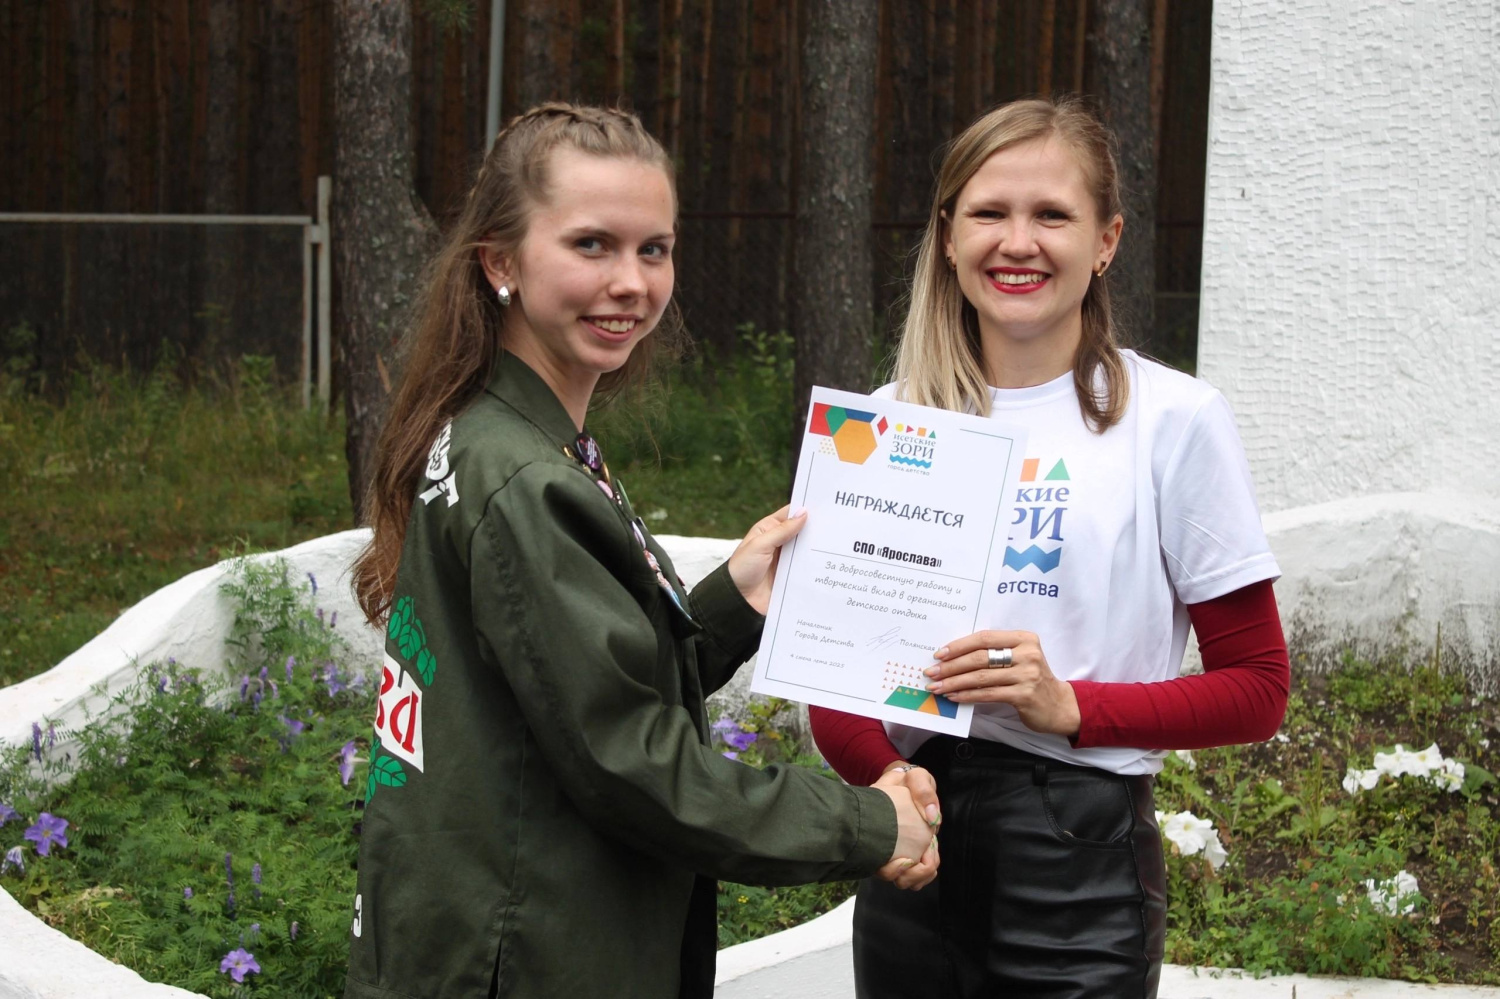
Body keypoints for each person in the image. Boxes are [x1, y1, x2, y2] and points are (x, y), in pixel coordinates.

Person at [341, 103, 936, 999]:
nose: (630, 282)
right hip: (527, 953)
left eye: (653, 249)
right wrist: (868, 823)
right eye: (591, 245)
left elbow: (569, 677)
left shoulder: (510, 434)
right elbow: (632, 761)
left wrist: (734, 600)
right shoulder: (523, 476)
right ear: (500, 262)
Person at [808, 96, 1290, 999]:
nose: (1017, 242)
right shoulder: (883, 424)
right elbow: (834, 679)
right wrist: (886, 774)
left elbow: (1258, 688)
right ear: (948, 236)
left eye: (1052, 215)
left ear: (1106, 241)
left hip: (1080, 869)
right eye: (989, 212)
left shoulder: (1174, 420)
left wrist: (1069, 704)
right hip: (915, 851)